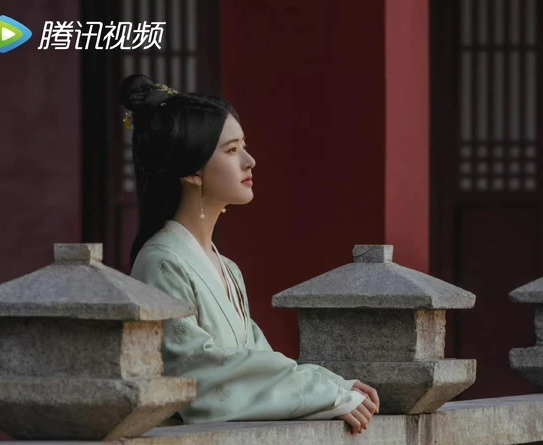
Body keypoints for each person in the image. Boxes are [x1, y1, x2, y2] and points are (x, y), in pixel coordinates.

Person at [121, 74, 379, 435]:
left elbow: (256, 362)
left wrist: (332, 385)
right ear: (193, 170)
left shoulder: (226, 267)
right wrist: (325, 395)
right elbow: (197, 373)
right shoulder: (160, 261)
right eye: (231, 150)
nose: (250, 161)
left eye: (244, 146)